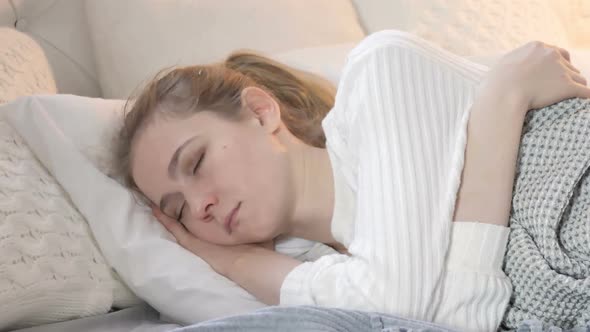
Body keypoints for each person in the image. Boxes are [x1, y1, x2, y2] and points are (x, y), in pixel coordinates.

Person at [114, 30, 590, 331]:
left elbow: (402, 305)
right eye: (178, 210)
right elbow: (458, 320)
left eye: (196, 162)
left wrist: (498, 100)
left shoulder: (380, 72)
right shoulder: (331, 271)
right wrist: (498, 106)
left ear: (260, 112)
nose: (200, 207)